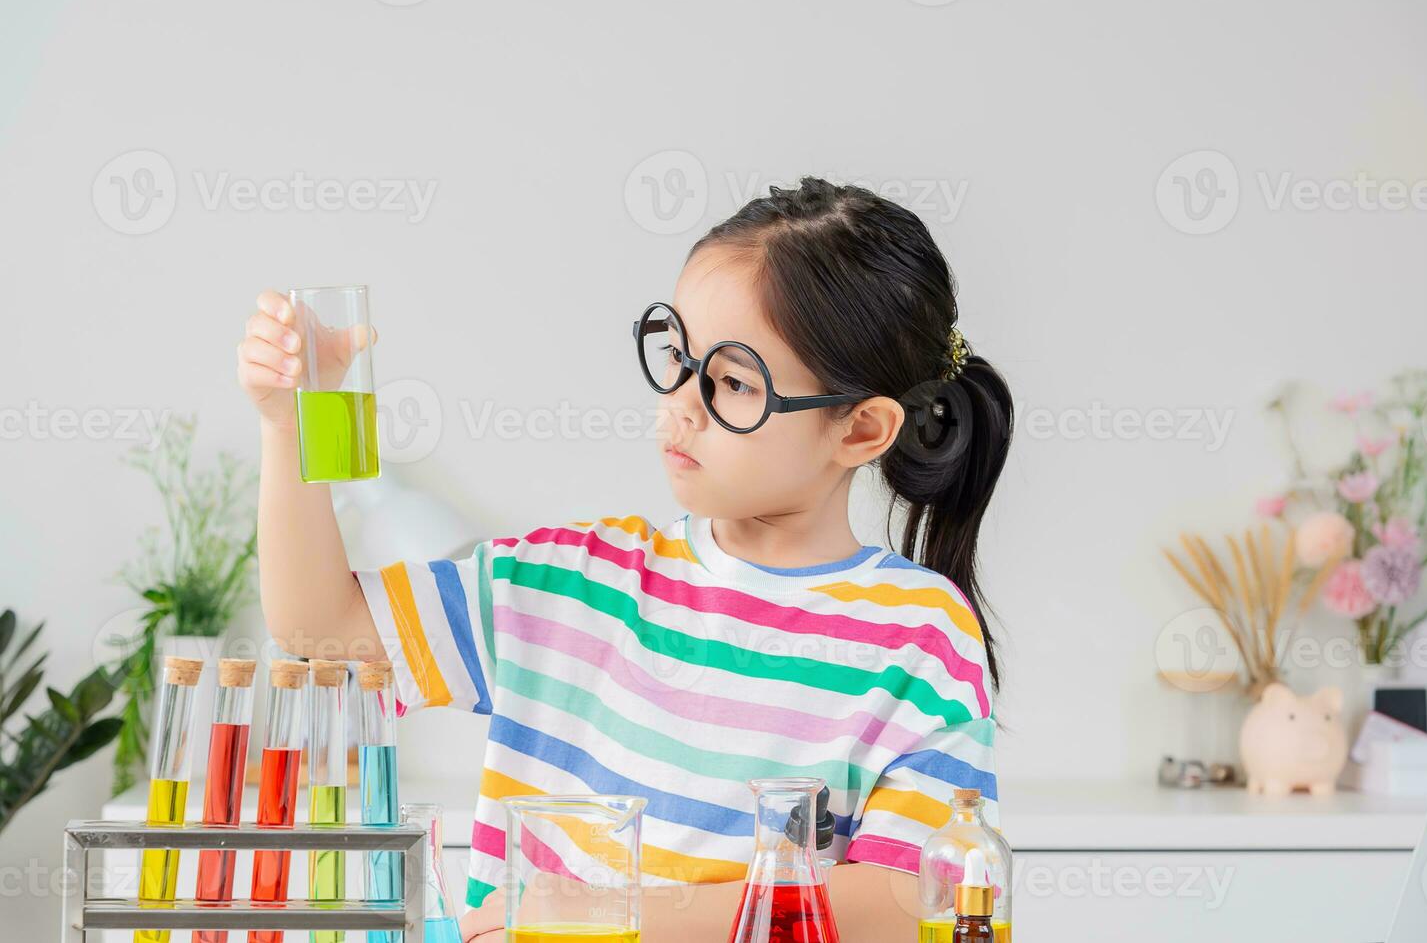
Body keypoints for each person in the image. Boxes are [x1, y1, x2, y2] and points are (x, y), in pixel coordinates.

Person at [236, 177, 1013, 943]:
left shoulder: (918, 633)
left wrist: (620, 913)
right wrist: (288, 426)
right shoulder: (574, 584)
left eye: (733, 382)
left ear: (861, 431)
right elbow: (319, 628)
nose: (680, 401)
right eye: (677, 354)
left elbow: (911, 901)